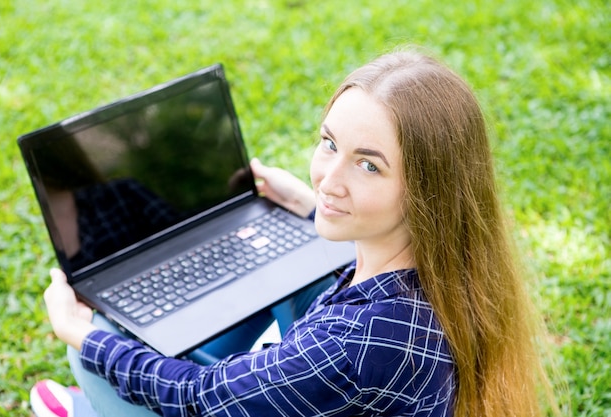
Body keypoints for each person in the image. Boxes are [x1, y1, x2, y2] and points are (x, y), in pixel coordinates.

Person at [31, 48, 556, 417]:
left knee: (95, 353)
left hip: (230, 397)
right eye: (330, 143)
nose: (329, 178)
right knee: (288, 277)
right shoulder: (441, 269)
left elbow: (201, 398)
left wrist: (86, 336)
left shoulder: (354, 345)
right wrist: (311, 209)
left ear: (428, 190)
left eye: (368, 166)